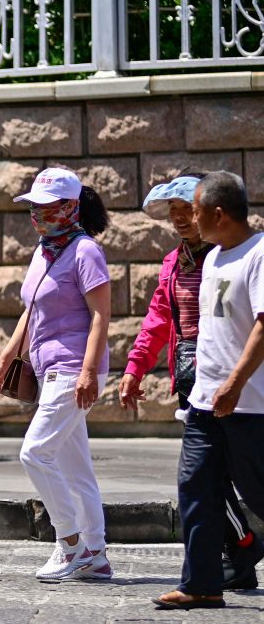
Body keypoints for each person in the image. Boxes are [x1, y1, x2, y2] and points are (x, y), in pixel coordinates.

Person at [120, 175, 263, 591]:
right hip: (197, 387)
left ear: (212, 213)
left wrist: (235, 382)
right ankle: (210, 577)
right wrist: (135, 367)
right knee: (200, 484)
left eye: (190, 211)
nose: (184, 220)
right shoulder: (179, 262)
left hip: (244, 391)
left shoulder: (242, 254)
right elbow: (160, 321)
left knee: (247, 487)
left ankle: (242, 547)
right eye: (176, 213)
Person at [0, 168, 112, 581]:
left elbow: (100, 317)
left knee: (34, 452)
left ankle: (70, 543)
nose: (37, 214)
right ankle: (96, 554)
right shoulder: (44, 251)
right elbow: (31, 310)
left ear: (70, 206)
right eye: (33, 206)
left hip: (74, 368)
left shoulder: (85, 251)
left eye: (46, 206)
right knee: (77, 469)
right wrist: (4, 360)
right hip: (48, 368)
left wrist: (89, 372)